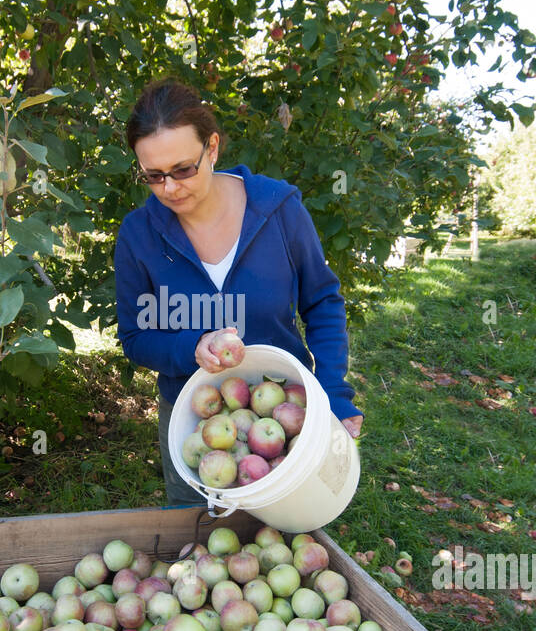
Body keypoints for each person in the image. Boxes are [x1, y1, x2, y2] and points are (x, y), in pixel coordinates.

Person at [113, 78, 364, 506]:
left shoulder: (278, 209)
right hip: (194, 418)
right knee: (198, 542)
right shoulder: (139, 235)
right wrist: (193, 346)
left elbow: (322, 302)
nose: (170, 188)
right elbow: (136, 337)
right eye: (153, 176)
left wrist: (333, 394)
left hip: (284, 409)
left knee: (287, 532)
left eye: (182, 169)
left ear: (212, 148)